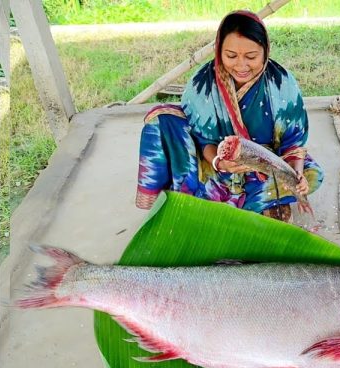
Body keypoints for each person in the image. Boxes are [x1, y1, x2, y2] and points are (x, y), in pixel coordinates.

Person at [135, 10, 323, 222]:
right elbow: (203, 141)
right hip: (213, 164)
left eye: (251, 57)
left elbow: (293, 143)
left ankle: (218, 204)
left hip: (266, 165)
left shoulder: (282, 83)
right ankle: (256, 203)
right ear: (219, 51)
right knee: (159, 121)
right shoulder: (202, 84)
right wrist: (220, 162)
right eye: (231, 56)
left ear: (265, 51)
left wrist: (295, 176)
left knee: (312, 176)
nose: (241, 66)